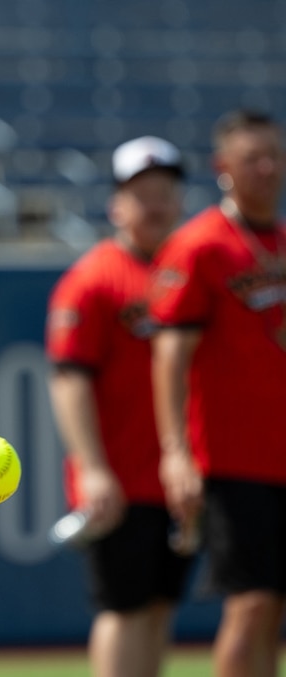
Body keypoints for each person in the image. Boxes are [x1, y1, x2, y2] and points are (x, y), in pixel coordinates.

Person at [46, 136, 192, 677]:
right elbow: (69, 381)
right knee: (124, 609)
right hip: (122, 479)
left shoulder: (186, 271)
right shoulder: (94, 279)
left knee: (159, 608)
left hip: (177, 478)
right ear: (117, 205)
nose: (155, 204)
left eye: (166, 192)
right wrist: (93, 469)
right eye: (143, 193)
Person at [150, 109, 286, 677]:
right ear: (223, 167)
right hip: (233, 457)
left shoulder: (279, 241)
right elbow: (170, 356)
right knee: (251, 601)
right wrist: (176, 451)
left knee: (273, 606)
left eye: (274, 155)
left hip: (281, 454)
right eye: (253, 158)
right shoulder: (201, 245)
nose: (268, 168)